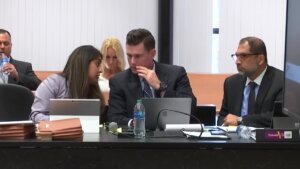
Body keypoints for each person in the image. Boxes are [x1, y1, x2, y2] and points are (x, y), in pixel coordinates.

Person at [107, 28, 196, 126]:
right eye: (129, 55)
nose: (132, 61)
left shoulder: (176, 74)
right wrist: (136, 123)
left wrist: (161, 87)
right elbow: (114, 117)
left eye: (137, 56)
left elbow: (190, 108)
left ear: (153, 53)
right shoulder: (119, 82)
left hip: (171, 137)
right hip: (136, 137)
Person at [218, 36, 283, 127]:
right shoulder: (231, 83)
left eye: (243, 56)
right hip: (235, 139)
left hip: (266, 139)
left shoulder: (281, 82)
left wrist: (241, 120)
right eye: (236, 56)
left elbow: (277, 117)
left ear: (260, 59)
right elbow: (223, 116)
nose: (237, 62)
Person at [30, 45, 105, 123]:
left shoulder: (93, 88)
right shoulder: (53, 83)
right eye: (98, 64)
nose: (101, 70)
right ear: (84, 63)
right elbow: (35, 115)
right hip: (55, 133)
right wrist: (65, 123)